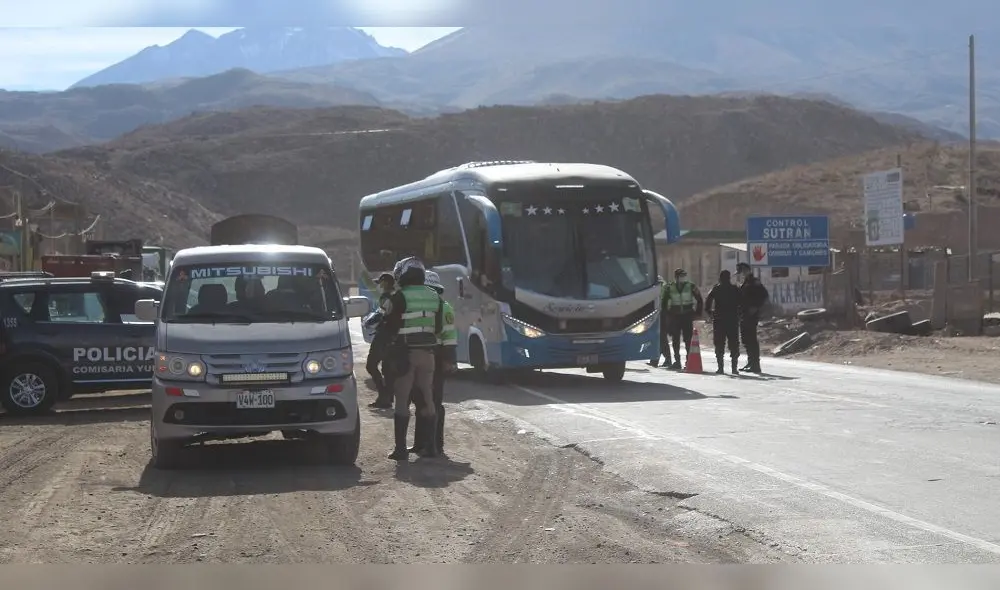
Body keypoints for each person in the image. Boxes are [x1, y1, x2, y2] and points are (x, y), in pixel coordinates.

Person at [380, 257, 446, 460]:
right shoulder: (436, 297)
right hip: (428, 355)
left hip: (406, 355)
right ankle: (432, 447)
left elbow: (387, 317)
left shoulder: (401, 296)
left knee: (402, 401)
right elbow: (438, 328)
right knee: (428, 398)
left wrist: (385, 292)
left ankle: (401, 449)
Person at [408, 270, 457, 456]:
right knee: (419, 401)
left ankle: (435, 446)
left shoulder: (444, 308)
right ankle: (420, 444)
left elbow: (449, 337)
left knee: (433, 402)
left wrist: (448, 360)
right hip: (417, 357)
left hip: (436, 357)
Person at [365, 273, 396, 409]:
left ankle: (384, 396)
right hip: (392, 337)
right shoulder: (395, 296)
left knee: (371, 365)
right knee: (387, 369)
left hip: (383, 337)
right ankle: (387, 398)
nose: (379, 286)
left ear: (386, 283)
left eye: (380, 283)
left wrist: (370, 321)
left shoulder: (387, 297)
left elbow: (381, 314)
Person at [663, 268, 703, 369]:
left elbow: (699, 299)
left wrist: (697, 313)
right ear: (676, 277)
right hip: (675, 316)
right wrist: (667, 315)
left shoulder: (691, 286)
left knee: (688, 339)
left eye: (684, 276)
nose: (682, 278)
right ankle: (677, 362)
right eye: (681, 276)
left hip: (687, 315)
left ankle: (688, 361)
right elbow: (664, 302)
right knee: (675, 340)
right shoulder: (669, 287)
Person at [704, 270, 741, 375]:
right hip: (732, 319)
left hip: (719, 320)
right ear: (729, 278)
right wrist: (739, 313)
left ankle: (720, 368)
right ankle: (734, 368)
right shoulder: (735, 289)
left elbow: (707, 302)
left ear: (720, 278)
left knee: (719, 344)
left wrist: (710, 313)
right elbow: (742, 302)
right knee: (734, 344)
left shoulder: (716, 289)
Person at [736, 262, 769, 374]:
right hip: (743, 315)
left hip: (751, 315)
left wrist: (756, 307)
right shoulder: (744, 283)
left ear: (746, 271)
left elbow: (764, 295)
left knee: (751, 339)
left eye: (741, 272)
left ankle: (755, 365)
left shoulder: (754, 282)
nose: (740, 275)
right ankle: (750, 362)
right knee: (745, 339)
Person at [648, 275, 672, 367]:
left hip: (662, 315)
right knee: (659, 338)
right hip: (661, 314)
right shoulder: (663, 286)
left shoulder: (660, 288)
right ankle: (655, 360)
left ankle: (665, 359)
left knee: (661, 338)